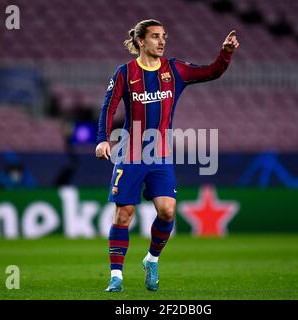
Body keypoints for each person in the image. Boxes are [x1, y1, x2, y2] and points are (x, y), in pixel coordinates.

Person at [95, 19, 239, 292]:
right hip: (131, 154)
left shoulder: (174, 70)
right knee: (124, 213)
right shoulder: (125, 72)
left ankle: (151, 259)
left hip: (159, 154)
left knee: (167, 210)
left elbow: (212, 72)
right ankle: (116, 276)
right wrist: (102, 140)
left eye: (164, 37)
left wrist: (226, 53)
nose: (162, 41)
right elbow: (108, 107)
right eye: (155, 37)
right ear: (140, 41)